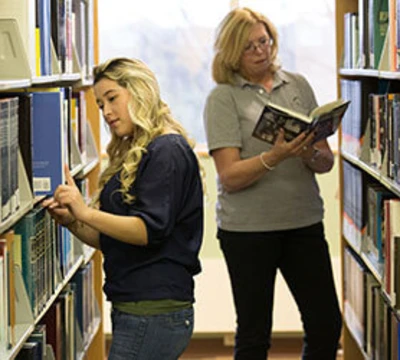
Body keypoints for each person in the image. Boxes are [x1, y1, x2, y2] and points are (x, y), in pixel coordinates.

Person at [203, 7, 342, 360]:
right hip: (248, 232)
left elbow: (325, 162)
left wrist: (307, 150)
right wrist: (276, 156)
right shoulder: (223, 98)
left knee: (326, 324)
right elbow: (230, 177)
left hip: (303, 223)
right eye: (249, 47)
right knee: (254, 335)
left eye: (264, 41)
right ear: (232, 52)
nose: (261, 51)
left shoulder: (297, 85)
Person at [43, 57, 204, 360]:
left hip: (153, 311)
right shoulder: (139, 148)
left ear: (139, 90)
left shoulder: (165, 150)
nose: (105, 112)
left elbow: (146, 231)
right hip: (138, 308)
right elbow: (115, 238)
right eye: (101, 104)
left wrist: (85, 211)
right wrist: (72, 222)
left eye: (112, 98)